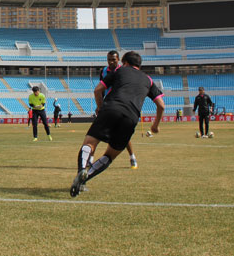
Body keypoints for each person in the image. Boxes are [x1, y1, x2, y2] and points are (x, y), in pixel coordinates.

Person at [70, 52, 164, 197]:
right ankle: (85, 178)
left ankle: (82, 169)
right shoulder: (149, 80)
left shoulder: (120, 71)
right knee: (110, 155)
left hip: (111, 107)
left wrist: (100, 108)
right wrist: (155, 125)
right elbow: (161, 105)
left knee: (90, 143)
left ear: (124, 62)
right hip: (131, 117)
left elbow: (98, 90)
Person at [100, 49, 138, 168]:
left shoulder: (123, 71)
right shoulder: (103, 71)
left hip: (121, 105)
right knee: (98, 133)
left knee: (123, 134)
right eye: (109, 60)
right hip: (108, 104)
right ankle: (90, 160)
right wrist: (100, 105)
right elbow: (100, 88)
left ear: (118, 60)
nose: (111, 62)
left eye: (113, 60)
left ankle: (132, 157)